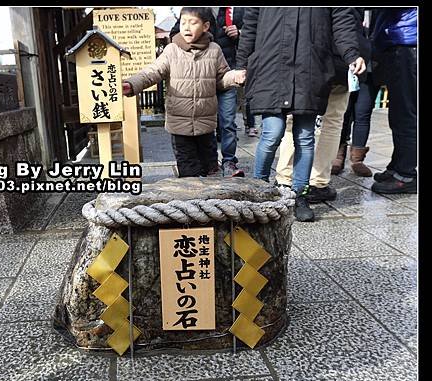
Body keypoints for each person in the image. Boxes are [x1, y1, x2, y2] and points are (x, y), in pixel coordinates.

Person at [234, 7, 366, 221]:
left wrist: (351, 54)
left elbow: (342, 20)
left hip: (309, 69)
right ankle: (258, 189)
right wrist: (241, 64)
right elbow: (250, 25)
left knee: (305, 137)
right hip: (271, 67)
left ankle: (300, 194)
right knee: (272, 133)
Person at [123, 7, 237, 178]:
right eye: (183, 22)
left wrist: (235, 77)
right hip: (179, 126)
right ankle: (191, 202)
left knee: (211, 169)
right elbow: (152, 72)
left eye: (193, 23)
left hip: (206, 125)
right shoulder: (171, 50)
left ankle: (210, 202)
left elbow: (221, 80)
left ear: (205, 26)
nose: (187, 27)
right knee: (189, 172)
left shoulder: (214, 50)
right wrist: (132, 84)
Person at [276, 8, 371, 205]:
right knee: (333, 122)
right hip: (344, 59)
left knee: (294, 118)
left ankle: (285, 179)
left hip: (310, 58)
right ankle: (318, 182)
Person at [170, 7, 247, 177]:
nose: (187, 26)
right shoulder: (196, 10)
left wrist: (239, 32)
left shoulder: (236, 10)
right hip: (201, 76)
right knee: (204, 122)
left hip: (227, 71)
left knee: (228, 122)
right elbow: (175, 34)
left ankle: (228, 161)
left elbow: (251, 33)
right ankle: (206, 165)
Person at [369, 8, 417, 194]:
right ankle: (397, 166)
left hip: (407, 41)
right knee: (398, 112)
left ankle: (406, 175)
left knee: (406, 113)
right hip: (399, 41)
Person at [334, 9, 378, 177]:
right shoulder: (348, 11)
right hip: (347, 65)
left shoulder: (378, 14)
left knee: (363, 112)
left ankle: (357, 159)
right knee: (343, 113)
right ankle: (338, 154)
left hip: (372, 67)